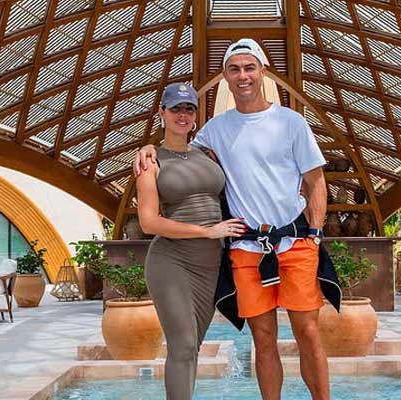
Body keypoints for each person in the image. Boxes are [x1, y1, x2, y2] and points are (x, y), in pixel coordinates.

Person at [134, 39, 341, 400]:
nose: (243, 75)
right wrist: (148, 147)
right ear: (226, 77)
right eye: (234, 69)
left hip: (295, 242)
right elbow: (178, 149)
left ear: (263, 72)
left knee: (308, 332)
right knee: (263, 337)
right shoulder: (215, 130)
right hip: (247, 249)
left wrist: (315, 233)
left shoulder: (291, 122)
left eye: (249, 68)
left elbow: (316, 181)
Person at [135, 82, 246, 400]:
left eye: (189, 109)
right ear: (162, 113)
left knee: (191, 347)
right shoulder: (150, 162)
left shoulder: (206, 154)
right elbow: (148, 222)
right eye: (175, 109)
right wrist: (208, 232)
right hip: (173, 262)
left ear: (196, 116)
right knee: (182, 346)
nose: (182, 115)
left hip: (210, 266)